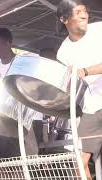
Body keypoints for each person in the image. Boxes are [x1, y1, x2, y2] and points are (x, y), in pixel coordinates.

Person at [56, 0, 102, 178]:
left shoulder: (99, 30)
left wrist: (85, 71)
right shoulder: (63, 52)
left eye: (85, 11)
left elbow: (82, 73)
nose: (84, 15)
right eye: (78, 12)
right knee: (79, 160)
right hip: (93, 107)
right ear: (64, 19)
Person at [0, 28, 39, 160]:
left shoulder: (23, 62)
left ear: (8, 44)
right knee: (2, 159)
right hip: (1, 119)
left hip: (25, 118)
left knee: (26, 157)